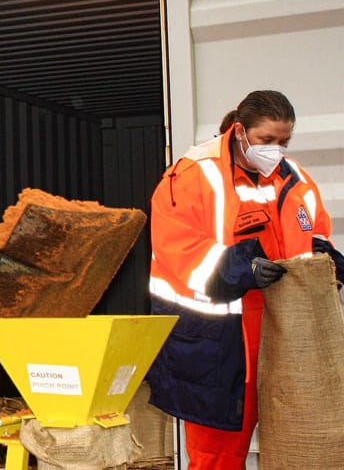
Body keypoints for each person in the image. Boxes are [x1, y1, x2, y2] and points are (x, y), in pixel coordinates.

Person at [146, 89, 342, 469]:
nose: (275, 150)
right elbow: (178, 250)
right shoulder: (192, 175)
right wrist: (241, 269)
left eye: (283, 142)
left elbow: (314, 234)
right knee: (217, 458)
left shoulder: (293, 177)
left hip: (285, 339)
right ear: (239, 131)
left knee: (299, 447)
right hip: (217, 345)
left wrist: (327, 261)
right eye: (266, 139)